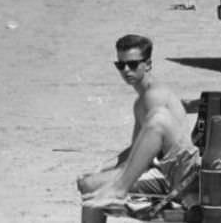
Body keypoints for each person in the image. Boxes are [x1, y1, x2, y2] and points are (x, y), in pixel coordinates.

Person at [77, 35, 200, 222]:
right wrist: (102, 167)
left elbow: (149, 156)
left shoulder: (154, 96)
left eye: (133, 64)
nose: (126, 70)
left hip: (175, 174)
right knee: (90, 181)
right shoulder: (140, 101)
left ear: (148, 64)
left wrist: (115, 177)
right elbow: (137, 147)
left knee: (91, 185)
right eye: (121, 65)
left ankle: (117, 191)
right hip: (164, 170)